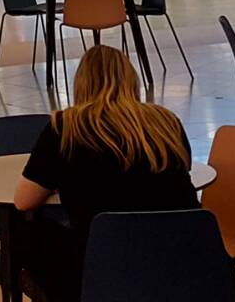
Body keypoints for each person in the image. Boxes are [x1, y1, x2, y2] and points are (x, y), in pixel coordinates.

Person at [10, 47, 197, 302]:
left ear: (81, 84)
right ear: (132, 79)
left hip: (102, 265)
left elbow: (23, 201)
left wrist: (62, 179)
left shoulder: (66, 127)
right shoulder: (166, 122)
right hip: (187, 259)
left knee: (23, 229)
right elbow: (181, 170)